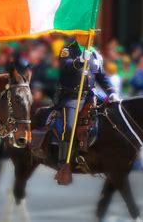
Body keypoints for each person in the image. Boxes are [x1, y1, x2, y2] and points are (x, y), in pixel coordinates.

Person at [53, 36, 120, 184]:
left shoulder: (95, 54)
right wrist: (79, 60)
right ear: (79, 35)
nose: (91, 36)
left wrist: (112, 92)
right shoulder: (67, 50)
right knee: (69, 126)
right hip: (72, 96)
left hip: (90, 96)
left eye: (92, 34)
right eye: (86, 33)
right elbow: (65, 68)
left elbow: (101, 77)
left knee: (111, 117)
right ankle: (63, 163)